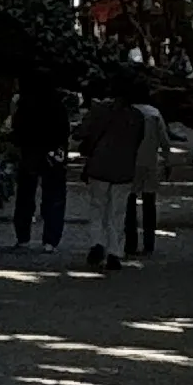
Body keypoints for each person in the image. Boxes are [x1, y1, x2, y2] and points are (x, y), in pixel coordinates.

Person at [72, 75, 143, 271]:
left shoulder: (99, 110)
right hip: (124, 169)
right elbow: (138, 142)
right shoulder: (137, 117)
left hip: (100, 166)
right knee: (117, 212)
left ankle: (97, 242)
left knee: (98, 207)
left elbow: (81, 133)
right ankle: (114, 252)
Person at [8, 64, 72, 254]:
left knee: (25, 195)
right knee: (54, 196)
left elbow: (17, 129)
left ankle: (23, 237)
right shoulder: (57, 103)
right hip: (52, 154)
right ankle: (51, 240)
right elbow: (64, 130)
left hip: (30, 152)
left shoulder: (24, 103)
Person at [127, 79, 167, 259]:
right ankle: (149, 243)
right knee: (149, 202)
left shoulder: (128, 112)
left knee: (129, 201)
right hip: (150, 161)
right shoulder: (154, 113)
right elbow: (164, 140)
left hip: (130, 162)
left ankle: (130, 242)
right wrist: (167, 160)